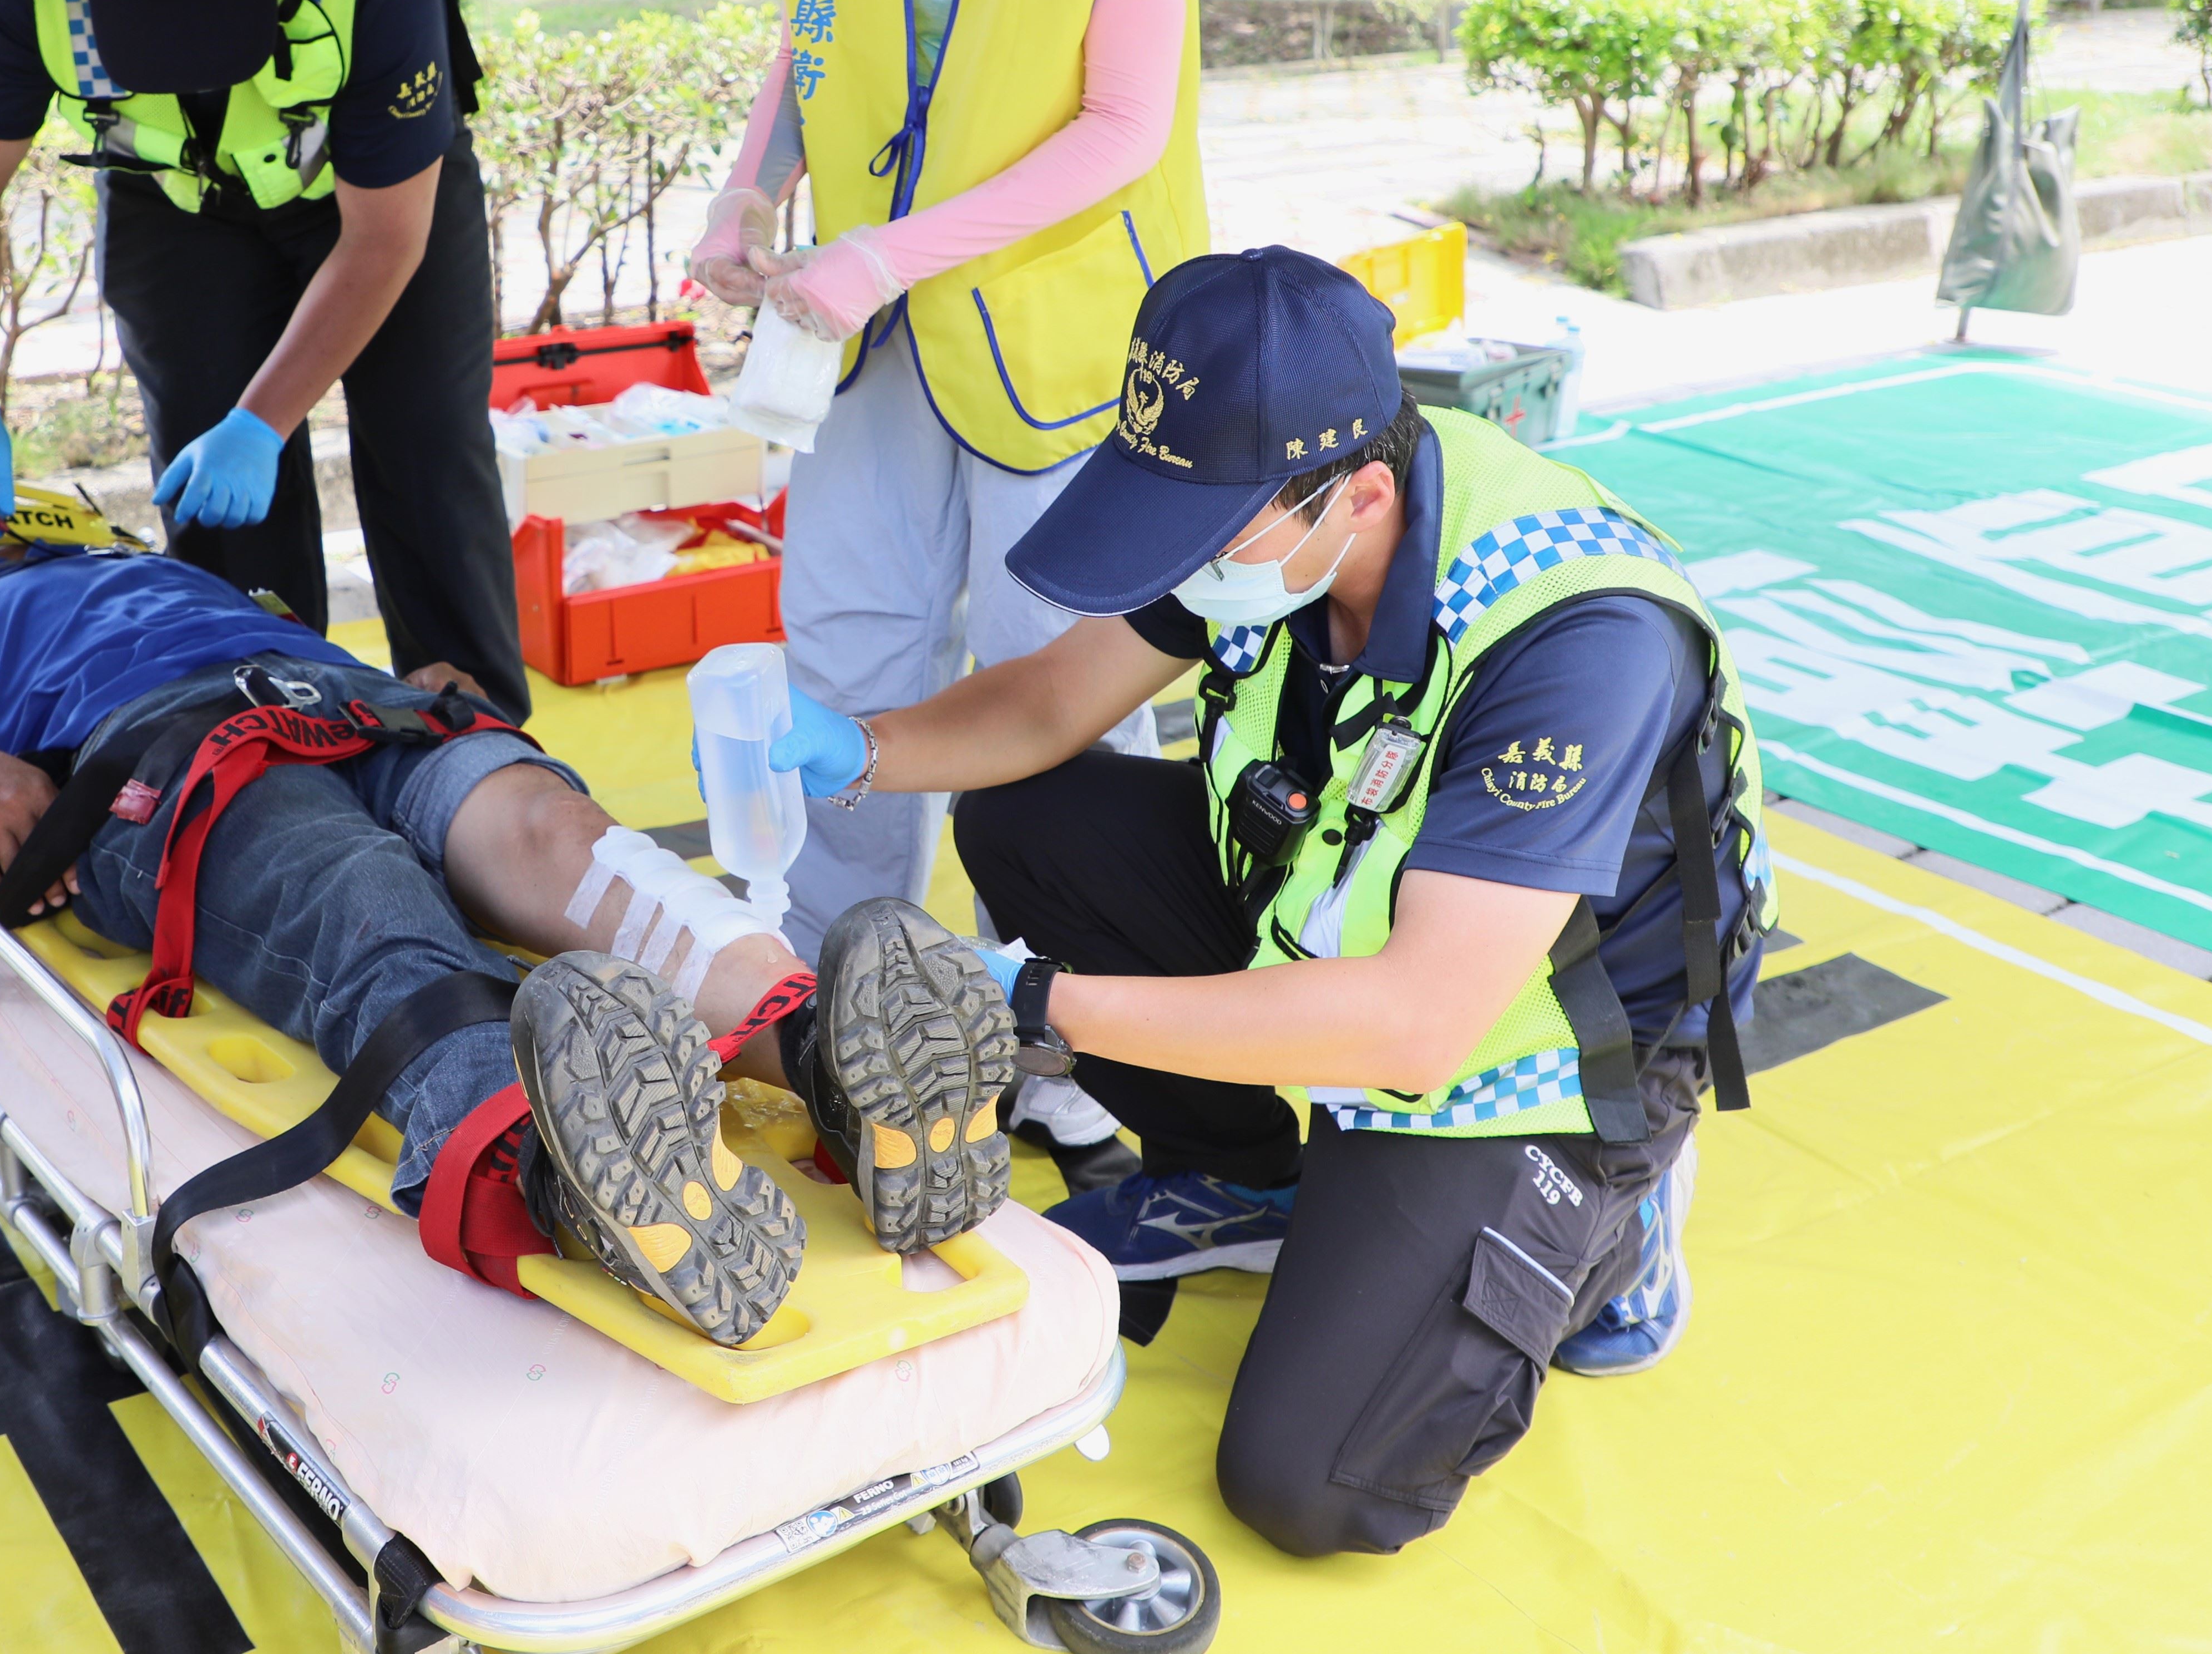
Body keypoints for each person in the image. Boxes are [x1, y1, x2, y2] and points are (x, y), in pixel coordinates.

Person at [746, 248, 1774, 1556]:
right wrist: (858, 746)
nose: (1176, 560)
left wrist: (1037, 1000)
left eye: (1201, 533)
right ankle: (1249, 1174)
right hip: (1343, 905)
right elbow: (1052, 702)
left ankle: (1612, 1224)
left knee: (1312, 1480)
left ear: (1362, 495)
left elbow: (1416, 1023)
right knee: (1025, 818)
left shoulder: (1576, 640)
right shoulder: (1264, 506)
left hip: (1539, 1050)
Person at [0, 546, 1017, 1346]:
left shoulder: (162, 569)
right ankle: (546, 1163)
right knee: (357, 894)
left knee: (555, 833)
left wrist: (399, 679)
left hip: (352, 702)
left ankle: (818, 1051)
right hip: (161, 756)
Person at [693, 0, 1213, 988]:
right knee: (842, 645)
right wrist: (750, 188)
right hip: (870, 331)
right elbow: (816, 26)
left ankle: (1067, 1023)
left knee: (1055, 678)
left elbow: (1124, 125)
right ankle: (838, 980)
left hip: (1060, 331)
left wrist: (874, 258)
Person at [0, 0, 528, 717]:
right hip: (175, 200)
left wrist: (262, 423)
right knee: (213, 503)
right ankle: (262, 734)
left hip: (365, 196)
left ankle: (473, 739)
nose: (190, 61)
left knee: (427, 455)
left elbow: (384, 236)